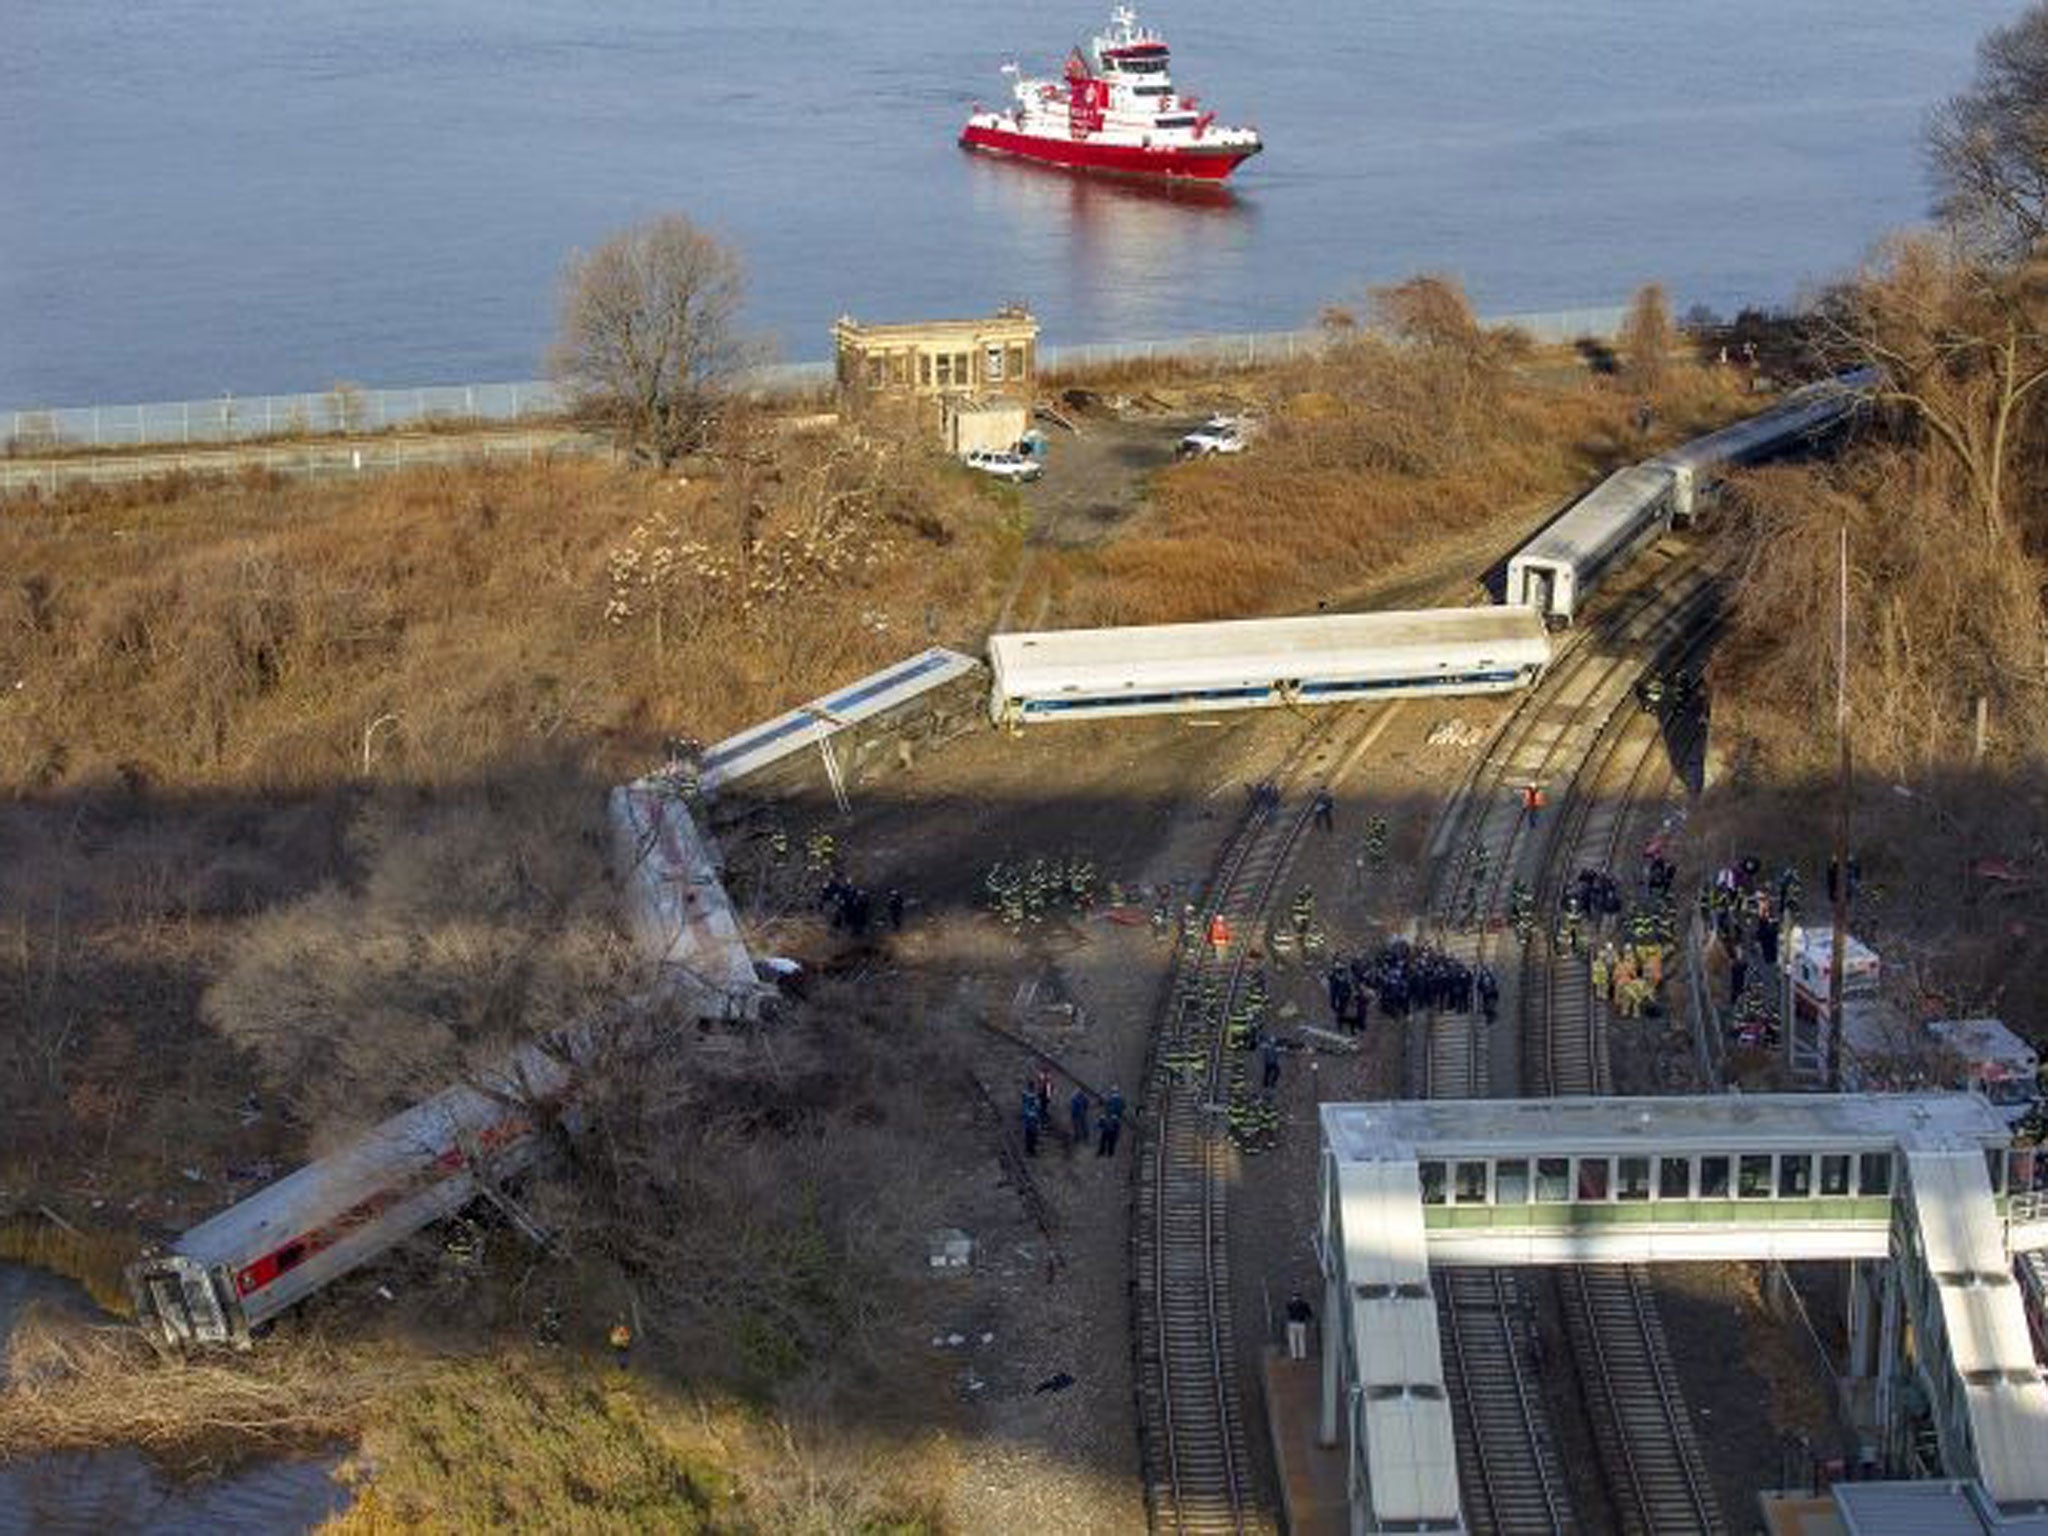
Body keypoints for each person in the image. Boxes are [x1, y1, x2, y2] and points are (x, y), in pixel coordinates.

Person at [1285, 1291, 1314, 1360]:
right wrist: (1311, 1319)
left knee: (1293, 1340)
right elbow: (1309, 1314)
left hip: (1292, 1323)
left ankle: (1294, 1356)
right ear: (1300, 1297)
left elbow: (1288, 1311)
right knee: (1301, 1339)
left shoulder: (1289, 1304)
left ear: (1293, 1297)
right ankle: (1302, 1355)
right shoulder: (1304, 1304)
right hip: (1301, 1323)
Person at [1098, 1086, 1125, 1157]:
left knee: (1104, 1136)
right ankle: (1110, 1153)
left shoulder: (1109, 1100)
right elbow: (1123, 1108)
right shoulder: (1121, 1100)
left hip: (1109, 1120)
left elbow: (1105, 1107)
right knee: (1113, 1138)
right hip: (1117, 1120)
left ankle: (1102, 1152)